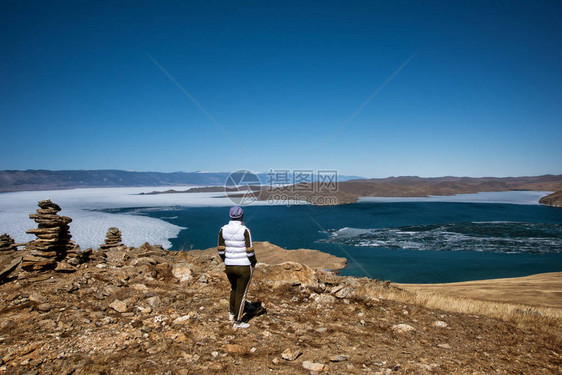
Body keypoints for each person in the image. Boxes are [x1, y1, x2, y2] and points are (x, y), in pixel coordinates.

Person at [217, 206, 257, 329]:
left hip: (229, 265)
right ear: (242, 216)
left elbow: (220, 250)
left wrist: (226, 260)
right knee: (242, 293)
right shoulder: (245, 230)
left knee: (233, 288)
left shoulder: (223, 229)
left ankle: (231, 312)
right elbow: (249, 250)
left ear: (230, 216)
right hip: (243, 266)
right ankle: (238, 321)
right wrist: (253, 262)